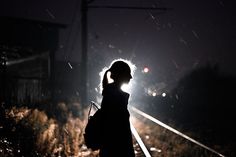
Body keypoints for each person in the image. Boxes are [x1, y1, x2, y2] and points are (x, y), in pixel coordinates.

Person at [99, 60, 135, 157]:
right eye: (128, 74)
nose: (131, 77)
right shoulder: (115, 96)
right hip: (117, 150)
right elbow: (119, 130)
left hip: (111, 149)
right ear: (121, 75)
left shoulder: (110, 93)